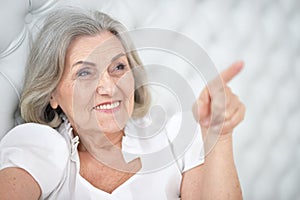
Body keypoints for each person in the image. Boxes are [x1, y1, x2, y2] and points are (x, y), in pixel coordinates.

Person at [0, 8, 245, 200]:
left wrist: (220, 136)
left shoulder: (174, 136)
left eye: (118, 67)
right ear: (52, 94)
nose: (109, 87)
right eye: (84, 73)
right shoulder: (41, 145)